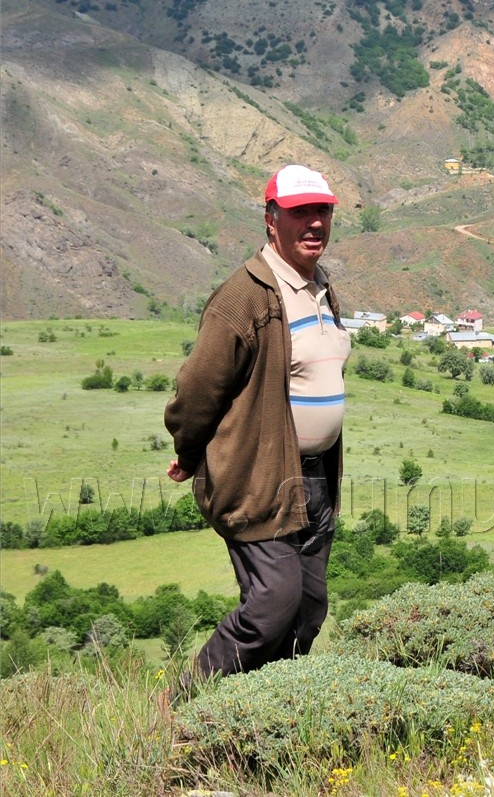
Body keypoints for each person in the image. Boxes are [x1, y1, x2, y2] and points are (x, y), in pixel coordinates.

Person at [165, 163, 350, 687]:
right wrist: (190, 451)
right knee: (271, 606)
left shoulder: (320, 287)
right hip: (258, 478)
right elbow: (198, 389)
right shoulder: (245, 296)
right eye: (300, 212)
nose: (315, 223)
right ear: (271, 219)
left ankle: (267, 713)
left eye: (322, 211)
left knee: (307, 610)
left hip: (316, 478)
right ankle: (180, 708)